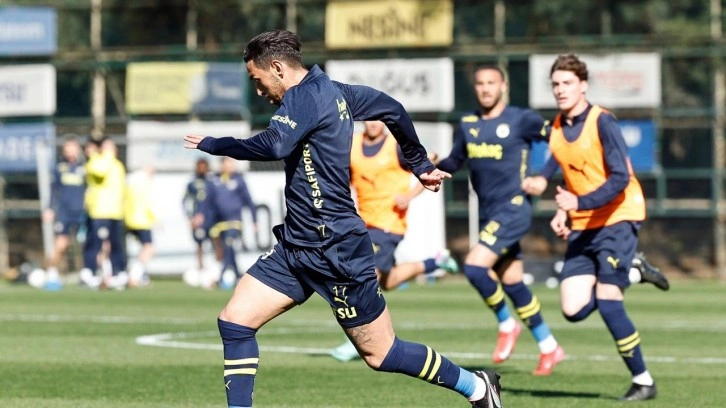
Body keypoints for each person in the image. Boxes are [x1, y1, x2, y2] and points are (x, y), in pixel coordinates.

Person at [183, 30, 502, 408]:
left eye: (258, 79)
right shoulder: (334, 92)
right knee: (235, 321)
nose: (259, 90)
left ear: (278, 68)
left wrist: (216, 144)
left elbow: (275, 144)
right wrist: (418, 163)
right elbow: (392, 108)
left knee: (382, 354)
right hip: (296, 247)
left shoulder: (304, 97)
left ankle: (477, 386)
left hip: (337, 250)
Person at [521, 54, 660, 400]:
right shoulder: (556, 128)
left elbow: (620, 178)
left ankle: (643, 381)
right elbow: (565, 167)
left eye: (567, 83)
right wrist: (562, 209)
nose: (560, 89)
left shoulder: (603, 122)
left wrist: (577, 203)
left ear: (583, 85)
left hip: (618, 216)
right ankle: (633, 272)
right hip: (584, 223)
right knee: (572, 310)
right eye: (556, 84)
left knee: (609, 301)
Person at [435, 65, 564, 376]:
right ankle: (549, 346)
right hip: (489, 213)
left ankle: (507, 324)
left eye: (491, 82)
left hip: (514, 208)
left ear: (503, 86)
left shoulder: (522, 119)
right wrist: (433, 164)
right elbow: (455, 160)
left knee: (474, 266)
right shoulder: (468, 124)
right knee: (512, 281)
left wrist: (543, 177)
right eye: (480, 83)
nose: (485, 88)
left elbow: (562, 142)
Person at [329, 120, 459, 362]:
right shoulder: (352, 145)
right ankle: (436, 261)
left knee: (366, 275)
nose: (373, 124)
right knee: (388, 281)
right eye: (369, 118)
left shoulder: (396, 147)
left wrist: (410, 195)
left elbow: (426, 166)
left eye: (378, 119)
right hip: (363, 223)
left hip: (389, 224)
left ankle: (360, 338)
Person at [79, 138, 127, 290]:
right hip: (100, 211)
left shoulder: (118, 165)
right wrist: (100, 155)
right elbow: (100, 171)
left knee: (116, 244)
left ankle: (118, 273)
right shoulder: (95, 162)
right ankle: (89, 272)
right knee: (95, 243)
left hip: (116, 212)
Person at [205, 156, 258, 289]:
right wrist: (205, 220)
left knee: (229, 243)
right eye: (229, 164)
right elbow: (207, 203)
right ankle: (238, 275)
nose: (232, 166)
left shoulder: (239, 180)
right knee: (226, 250)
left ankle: (221, 277)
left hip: (234, 222)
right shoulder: (213, 181)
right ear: (222, 165)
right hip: (218, 224)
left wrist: (254, 220)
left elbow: (249, 201)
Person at [41, 137, 86, 290]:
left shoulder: (85, 167)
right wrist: (49, 208)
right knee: (61, 245)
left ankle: (90, 274)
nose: (70, 152)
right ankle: (52, 274)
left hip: (81, 213)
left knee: (88, 245)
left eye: (73, 148)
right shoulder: (59, 168)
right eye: (67, 149)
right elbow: (53, 190)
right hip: (64, 213)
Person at [182, 158, 216, 274]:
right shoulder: (191, 184)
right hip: (197, 221)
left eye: (204, 166)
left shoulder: (212, 183)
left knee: (216, 241)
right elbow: (185, 201)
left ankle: (217, 268)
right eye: (200, 166)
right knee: (199, 243)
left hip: (211, 219)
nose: (202, 169)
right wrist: (190, 217)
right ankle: (201, 268)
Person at [124, 165, 156, 287]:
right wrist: (155, 219)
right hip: (141, 221)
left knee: (141, 247)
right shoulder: (144, 183)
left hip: (128, 219)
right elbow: (147, 203)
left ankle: (137, 274)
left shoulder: (130, 181)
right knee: (149, 248)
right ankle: (135, 275)